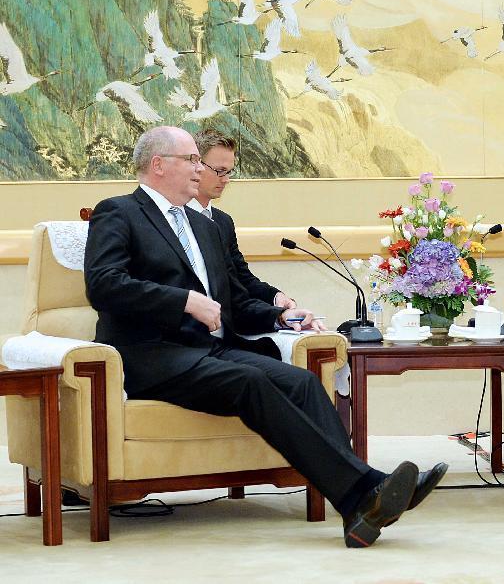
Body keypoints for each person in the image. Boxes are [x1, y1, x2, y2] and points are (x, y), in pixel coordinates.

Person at [84, 126, 447, 548]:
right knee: (252, 381)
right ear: (159, 164)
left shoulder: (204, 228)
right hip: (151, 355)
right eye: (192, 160)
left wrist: (283, 315)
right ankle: (367, 490)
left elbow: (233, 302)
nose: (200, 169)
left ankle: (360, 507)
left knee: (303, 381)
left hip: (211, 350)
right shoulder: (119, 212)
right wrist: (184, 300)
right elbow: (104, 285)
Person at [187, 129, 295, 309]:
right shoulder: (172, 217)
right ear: (196, 165)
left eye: (229, 172)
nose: (226, 180)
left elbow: (241, 278)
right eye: (220, 171)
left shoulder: (223, 222)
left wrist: (276, 297)